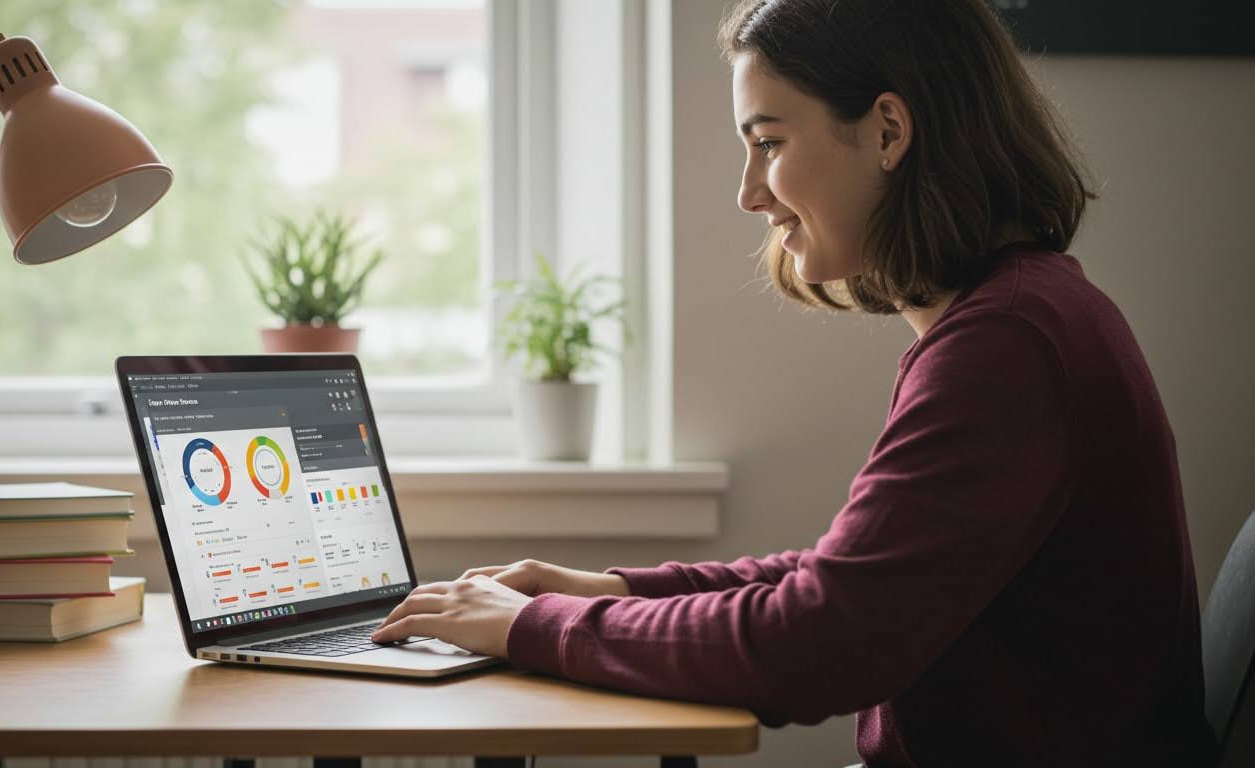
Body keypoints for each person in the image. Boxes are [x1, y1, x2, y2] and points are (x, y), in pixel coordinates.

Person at [370, 0, 1218, 764]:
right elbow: (847, 581)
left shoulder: (1007, 345)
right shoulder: (1019, 317)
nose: (748, 194)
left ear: (889, 131)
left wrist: (533, 626)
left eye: (769, 143)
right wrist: (617, 590)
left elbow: (816, 644)